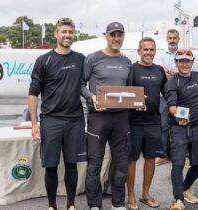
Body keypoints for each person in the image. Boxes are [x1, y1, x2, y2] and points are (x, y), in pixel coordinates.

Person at [28, 17, 86, 210]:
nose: (67, 35)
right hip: (51, 120)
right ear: (56, 34)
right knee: (51, 165)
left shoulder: (81, 60)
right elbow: (33, 93)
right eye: (64, 32)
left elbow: (93, 82)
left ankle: (71, 204)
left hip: (75, 120)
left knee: (71, 164)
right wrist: (35, 124)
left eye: (70, 32)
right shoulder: (44, 60)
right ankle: (52, 205)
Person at [81, 22, 132, 210]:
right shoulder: (93, 59)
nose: (116, 38)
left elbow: (130, 90)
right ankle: (94, 205)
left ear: (123, 37)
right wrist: (91, 97)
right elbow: (80, 84)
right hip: (98, 118)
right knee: (94, 164)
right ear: (106, 36)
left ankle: (118, 204)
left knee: (121, 164)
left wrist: (138, 100)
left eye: (120, 35)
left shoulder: (127, 62)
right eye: (113, 35)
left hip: (121, 119)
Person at [127, 37, 167, 210]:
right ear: (139, 51)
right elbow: (125, 93)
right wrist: (135, 101)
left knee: (151, 159)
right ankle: (131, 197)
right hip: (133, 122)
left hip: (153, 122)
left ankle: (145, 194)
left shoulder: (159, 70)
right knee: (132, 160)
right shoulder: (131, 69)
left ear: (155, 52)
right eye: (145, 49)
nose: (149, 52)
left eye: (152, 50)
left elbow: (168, 92)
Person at [164, 49, 198, 210]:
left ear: (192, 61)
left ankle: (185, 187)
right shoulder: (172, 81)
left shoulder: (196, 76)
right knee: (178, 164)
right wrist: (179, 115)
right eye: (181, 61)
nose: (184, 64)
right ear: (176, 62)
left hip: (197, 126)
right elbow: (172, 105)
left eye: (187, 60)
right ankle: (178, 200)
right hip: (179, 128)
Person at [154, 29, 179, 166]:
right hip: (163, 95)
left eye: (174, 38)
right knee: (162, 125)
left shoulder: (183, 53)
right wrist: (171, 72)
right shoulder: (160, 55)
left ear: (178, 39)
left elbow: (183, 70)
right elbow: (159, 71)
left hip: (179, 95)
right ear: (167, 39)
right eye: (170, 38)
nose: (172, 40)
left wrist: (170, 71)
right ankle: (162, 154)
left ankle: (183, 155)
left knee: (180, 124)